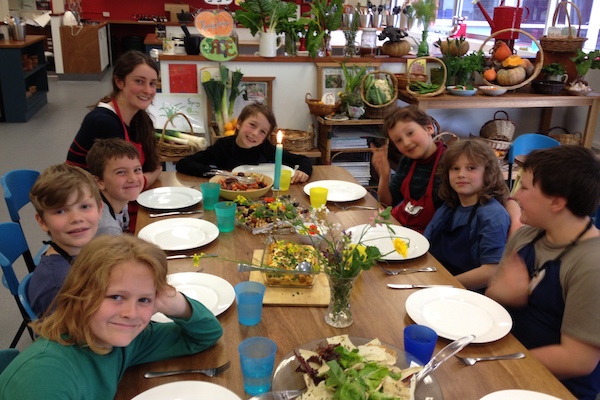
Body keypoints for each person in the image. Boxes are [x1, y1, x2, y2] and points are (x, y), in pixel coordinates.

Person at [0, 235, 223, 399]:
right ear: (80, 295)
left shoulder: (124, 338)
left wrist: (176, 302)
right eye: (116, 296)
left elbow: (206, 336)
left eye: (144, 300)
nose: (131, 313)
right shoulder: (45, 377)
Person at [486, 146, 600, 399]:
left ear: (557, 201)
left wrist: (501, 362)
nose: (515, 198)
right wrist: (501, 293)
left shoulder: (592, 264)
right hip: (504, 356)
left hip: (554, 386)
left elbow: (578, 360)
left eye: (524, 188)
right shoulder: (527, 236)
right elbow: (495, 293)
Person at [66, 50, 162, 232]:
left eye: (152, 84)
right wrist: (153, 174)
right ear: (119, 82)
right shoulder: (104, 122)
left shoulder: (138, 118)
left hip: (117, 205)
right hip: (89, 215)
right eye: (139, 81)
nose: (148, 90)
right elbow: (127, 182)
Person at [424, 139, 510, 291]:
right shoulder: (448, 207)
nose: (461, 174)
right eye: (455, 168)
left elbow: (491, 271)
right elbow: (426, 245)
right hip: (438, 280)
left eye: (471, 168)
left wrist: (442, 285)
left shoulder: (492, 214)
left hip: (468, 292)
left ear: (488, 173)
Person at [28, 163, 102, 317]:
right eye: (60, 211)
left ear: (100, 210)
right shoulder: (58, 287)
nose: (76, 218)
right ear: (42, 222)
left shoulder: (85, 249)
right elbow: (70, 338)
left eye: (84, 206)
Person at [176, 102, 312, 183]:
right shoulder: (223, 147)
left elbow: (302, 160)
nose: (255, 133)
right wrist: (218, 173)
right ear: (239, 124)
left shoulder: (266, 148)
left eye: (262, 132)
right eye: (252, 125)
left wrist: (303, 170)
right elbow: (184, 163)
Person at [370, 105, 446, 233]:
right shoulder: (407, 162)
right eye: (398, 141)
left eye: (410, 133)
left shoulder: (449, 163)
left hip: (434, 237)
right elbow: (388, 204)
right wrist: (384, 175)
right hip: (406, 230)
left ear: (429, 128)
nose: (406, 143)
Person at [86, 138, 145, 235]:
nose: (133, 179)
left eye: (137, 170)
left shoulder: (119, 198)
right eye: (121, 172)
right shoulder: (107, 229)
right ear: (100, 182)